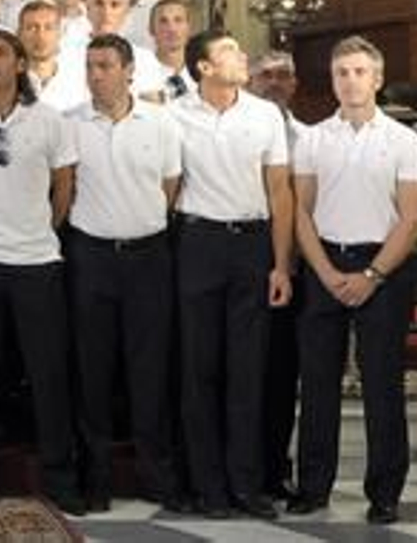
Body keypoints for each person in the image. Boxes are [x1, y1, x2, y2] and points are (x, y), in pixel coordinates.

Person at [290, 36, 417, 525]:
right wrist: (326, 272)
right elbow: (300, 214)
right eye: (340, 73)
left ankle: (385, 491)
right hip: (324, 262)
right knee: (318, 384)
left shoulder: (404, 141)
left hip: (383, 268)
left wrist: (371, 275)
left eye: (358, 72)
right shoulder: (312, 139)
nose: (349, 81)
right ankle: (312, 485)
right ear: (332, 80)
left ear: (376, 77)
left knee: (382, 386)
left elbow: (411, 219)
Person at [0, 29, 83, 515]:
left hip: (36, 263)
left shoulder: (48, 121)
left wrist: (41, 229)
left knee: (48, 375)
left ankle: (60, 477)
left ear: (20, 63)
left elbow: (64, 186)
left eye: (1, 54)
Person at [172, 28, 294, 519]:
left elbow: (280, 192)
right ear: (202, 66)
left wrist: (281, 264)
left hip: (252, 244)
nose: (242, 57)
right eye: (230, 51)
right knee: (198, 370)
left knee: (248, 370)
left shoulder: (265, 115)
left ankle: (245, 485)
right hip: (197, 242)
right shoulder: (174, 114)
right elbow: (167, 183)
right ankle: (207, 486)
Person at [65, 34, 186, 512]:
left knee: (150, 366)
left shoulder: (160, 123)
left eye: (106, 66)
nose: (96, 75)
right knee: (92, 369)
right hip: (90, 256)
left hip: (148, 257)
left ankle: (155, 471)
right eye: (90, 67)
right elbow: (64, 188)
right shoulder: (70, 123)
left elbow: (170, 186)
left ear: (129, 70)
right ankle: (94, 474)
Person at [248, 48, 311, 503]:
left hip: (295, 268)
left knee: (281, 375)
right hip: (244, 263)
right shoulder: (241, 131)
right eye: (265, 75)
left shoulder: (311, 139)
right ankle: (239, 465)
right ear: (250, 81)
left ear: (295, 84)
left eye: (283, 75)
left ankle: (275, 467)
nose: (274, 82)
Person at [84, 0, 165, 100]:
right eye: (99, 3)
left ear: (127, 11)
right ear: (88, 9)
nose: (106, 12)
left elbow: (154, 111)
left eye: (115, 5)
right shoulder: (66, 55)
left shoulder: (145, 59)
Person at [19, 0, 87, 114]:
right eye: (32, 28)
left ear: (59, 33)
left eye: (48, 28)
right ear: (19, 33)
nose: (41, 36)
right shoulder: (4, 81)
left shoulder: (80, 81)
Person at [151, 0, 197, 100]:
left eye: (178, 20)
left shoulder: (205, 74)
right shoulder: (139, 73)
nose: (172, 29)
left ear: (189, 28)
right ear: (151, 29)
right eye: (163, 21)